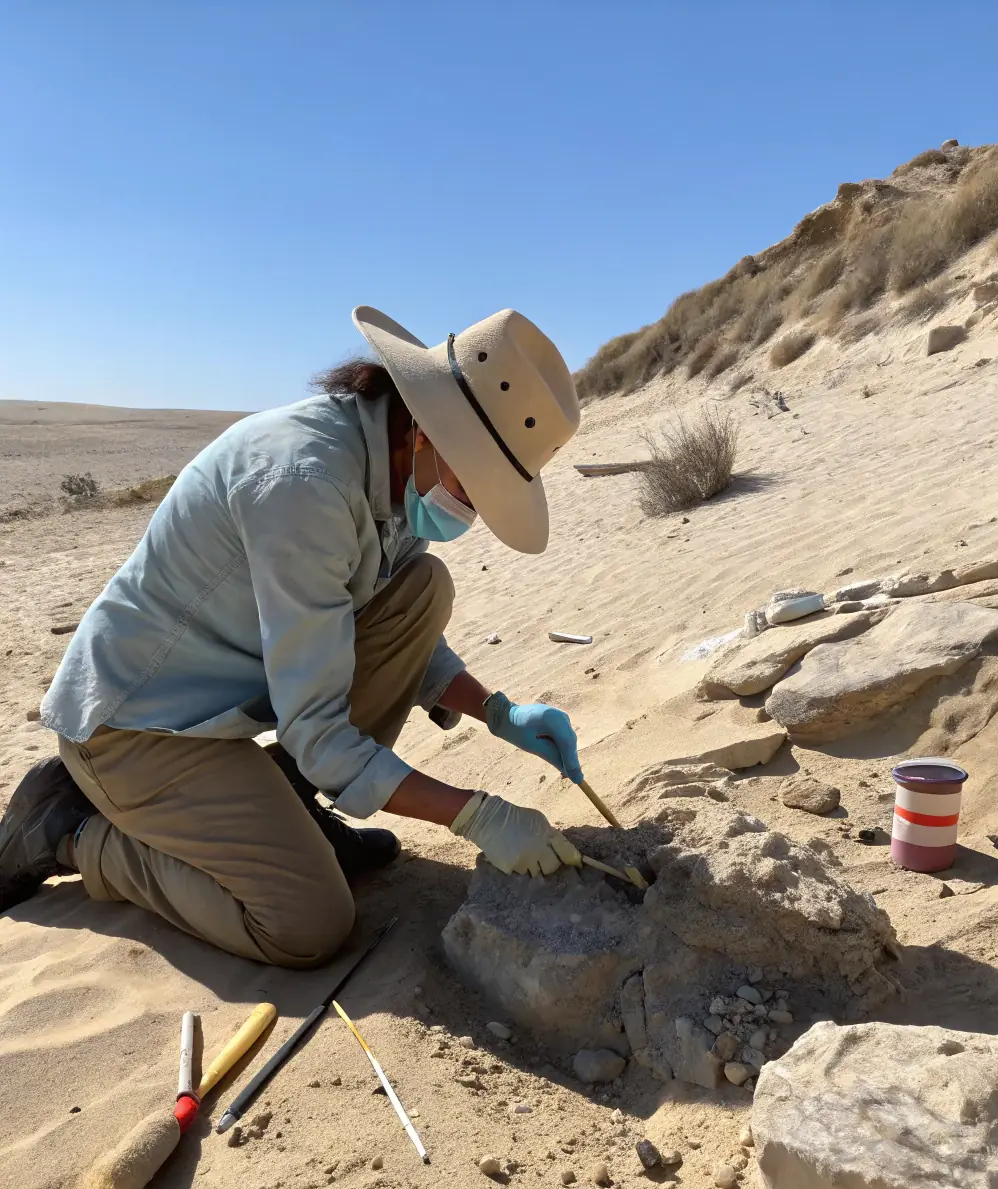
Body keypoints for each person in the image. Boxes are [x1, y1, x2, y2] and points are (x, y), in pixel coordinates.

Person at [0, 307, 586, 966]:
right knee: (307, 923)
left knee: (423, 590)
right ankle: (70, 833)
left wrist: (500, 713)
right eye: (473, 485)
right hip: (135, 728)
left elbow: (392, 632)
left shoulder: (396, 470)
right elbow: (318, 731)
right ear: (427, 429)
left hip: (229, 706)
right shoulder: (305, 484)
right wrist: (475, 814)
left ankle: (289, 812)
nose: (471, 511)